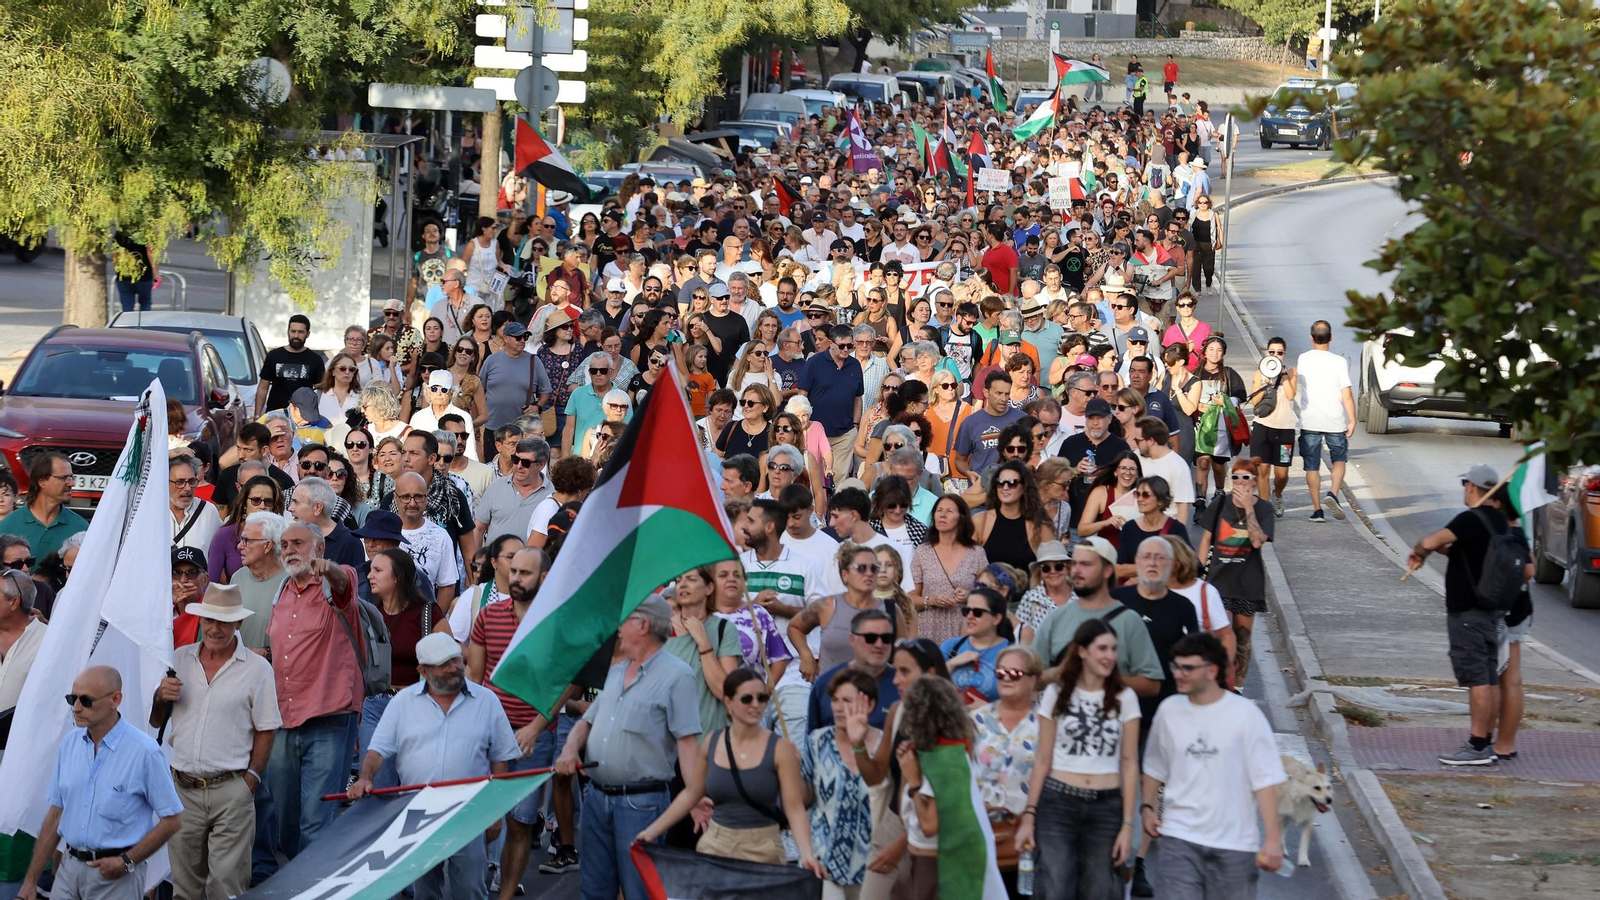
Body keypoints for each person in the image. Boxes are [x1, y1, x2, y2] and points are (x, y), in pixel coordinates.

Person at [553, 594, 703, 900]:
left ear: (643, 625)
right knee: (593, 891)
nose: (618, 628)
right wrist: (569, 749)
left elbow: (688, 746)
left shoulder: (678, 676)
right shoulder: (617, 671)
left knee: (639, 891)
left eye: (624, 621)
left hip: (641, 804)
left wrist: (696, 796)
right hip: (596, 799)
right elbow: (586, 722)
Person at [351, 633, 518, 900]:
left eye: (456, 660)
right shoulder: (402, 703)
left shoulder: (487, 701)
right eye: (443, 664)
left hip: (469, 812)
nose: (453, 668)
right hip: (418, 816)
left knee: (470, 891)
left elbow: (501, 759)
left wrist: (495, 813)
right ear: (423, 671)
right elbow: (377, 750)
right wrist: (365, 777)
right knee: (425, 892)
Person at [151, 584, 279, 900]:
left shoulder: (258, 669)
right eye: (209, 619)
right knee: (185, 889)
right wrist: (160, 696)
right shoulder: (178, 659)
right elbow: (155, 720)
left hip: (232, 788)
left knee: (227, 888)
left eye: (224, 621)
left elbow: (267, 729)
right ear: (201, 620)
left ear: (238, 623)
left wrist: (251, 780)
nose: (215, 628)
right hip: (183, 789)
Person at [15, 666, 184, 900]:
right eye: (72, 699)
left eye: (86, 701)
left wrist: (126, 862)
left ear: (115, 699)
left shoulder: (145, 752)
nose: (76, 708)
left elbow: (172, 820)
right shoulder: (70, 744)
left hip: (116, 878)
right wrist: (30, 881)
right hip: (68, 871)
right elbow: (56, 814)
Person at [635, 667, 826, 874]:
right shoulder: (712, 742)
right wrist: (651, 832)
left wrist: (807, 854)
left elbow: (794, 808)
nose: (756, 705)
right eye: (747, 699)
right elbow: (691, 794)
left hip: (762, 849)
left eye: (762, 698)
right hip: (716, 846)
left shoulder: (781, 749)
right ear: (728, 702)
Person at [1141, 633, 1286, 894]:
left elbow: (1264, 780)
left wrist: (1273, 839)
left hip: (1234, 845)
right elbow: (1154, 766)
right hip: (1179, 838)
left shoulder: (1246, 715)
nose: (1178, 674)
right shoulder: (1169, 711)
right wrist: (1148, 808)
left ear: (1212, 671)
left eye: (1188, 668)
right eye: (1176, 666)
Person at [1407, 466, 1528, 766]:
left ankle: (1476, 746)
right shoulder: (1499, 521)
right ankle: (1485, 741)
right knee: (1488, 676)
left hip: (1467, 613)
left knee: (1476, 679)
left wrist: (1419, 553)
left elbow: (1430, 541)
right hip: (1491, 610)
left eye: (1465, 484)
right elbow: (1478, 555)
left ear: (1472, 486)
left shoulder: (1470, 519)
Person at [1014, 618, 1141, 900]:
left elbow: (1130, 762)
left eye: (1113, 649)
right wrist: (1030, 815)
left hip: (1106, 804)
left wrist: (1128, 825)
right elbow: (1043, 758)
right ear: (1082, 651)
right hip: (1058, 801)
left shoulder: (1125, 697)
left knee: (1100, 890)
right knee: (1055, 887)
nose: (1110, 656)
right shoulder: (1057, 693)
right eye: (1102, 649)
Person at [263, 521, 361, 864]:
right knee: (284, 817)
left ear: (319, 548)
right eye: (284, 544)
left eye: (298, 543)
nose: (289, 550)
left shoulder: (337, 582)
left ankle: (310, 884)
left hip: (328, 716)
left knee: (317, 821)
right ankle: (299, 874)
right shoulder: (281, 590)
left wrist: (328, 568)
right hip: (284, 717)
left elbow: (344, 580)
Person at [1030, 537, 1164, 699]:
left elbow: (1152, 684)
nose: (1076, 571)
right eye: (1074, 564)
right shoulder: (1056, 618)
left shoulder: (1129, 620)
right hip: (1062, 713)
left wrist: (1104, 680)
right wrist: (1056, 674)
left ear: (1107, 570)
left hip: (1113, 713)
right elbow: (1031, 679)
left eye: (1085, 564)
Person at [799, 667, 885, 897]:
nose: (837, 707)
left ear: (870, 704)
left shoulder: (884, 745)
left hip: (872, 865)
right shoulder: (817, 741)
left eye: (847, 700)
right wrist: (791, 771)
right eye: (835, 700)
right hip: (823, 861)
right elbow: (805, 799)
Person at [969, 645, 1043, 896]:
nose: (1006, 678)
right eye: (1001, 673)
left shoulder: (1047, 723)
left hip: (1030, 834)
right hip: (982, 832)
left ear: (1033, 680)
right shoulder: (976, 719)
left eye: (1015, 674)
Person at [1196, 460, 1274, 684]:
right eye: (1236, 477)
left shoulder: (1264, 509)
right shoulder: (1220, 503)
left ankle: (1237, 688)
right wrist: (1198, 576)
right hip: (1218, 580)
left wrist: (1249, 508)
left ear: (1254, 482)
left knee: (1242, 640)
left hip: (1247, 582)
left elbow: (1257, 542)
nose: (1240, 482)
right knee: (1219, 636)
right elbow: (1206, 540)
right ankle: (1217, 684)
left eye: (1245, 478)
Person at [662, 566, 746, 732]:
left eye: (691, 579)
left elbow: (724, 692)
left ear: (709, 588)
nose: (682, 585)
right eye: (679, 581)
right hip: (667, 736)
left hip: (709, 734)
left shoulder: (724, 629)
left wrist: (704, 642)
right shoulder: (662, 629)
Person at [1296, 320, 1357, 522]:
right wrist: (1352, 420)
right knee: (1339, 460)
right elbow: (1347, 394)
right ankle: (1333, 493)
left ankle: (1317, 510)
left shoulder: (1303, 359)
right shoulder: (1339, 362)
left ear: (1311, 338)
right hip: (1335, 420)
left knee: (1311, 466)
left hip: (1310, 420)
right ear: (1331, 337)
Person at [909, 494, 988, 645]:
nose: (942, 515)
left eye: (949, 511)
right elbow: (910, 598)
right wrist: (931, 600)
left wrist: (969, 596)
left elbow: (988, 594)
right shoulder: (923, 552)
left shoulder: (976, 553)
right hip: (928, 630)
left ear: (961, 518)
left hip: (965, 629)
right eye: (939, 510)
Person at [0, 451, 87, 571]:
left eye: (71, 477)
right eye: (64, 478)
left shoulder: (81, 528)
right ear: (42, 482)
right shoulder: (7, 527)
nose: (72, 483)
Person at [798, 324, 866, 477]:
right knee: (813, 476)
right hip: (815, 430)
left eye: (850, 346)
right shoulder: (814, 363)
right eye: (841, 346)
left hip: (845, 434)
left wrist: (855, 424)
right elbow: (802, 395)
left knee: (840, 477)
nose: (846, 349)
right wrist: (803, 423)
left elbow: (858, 397)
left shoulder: (855, 365)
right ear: (831, 343)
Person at [972, 460, 1052, 571]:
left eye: (1012, 483)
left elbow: (1051, 569)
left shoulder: (1040, 526)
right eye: (1000, 482)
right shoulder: (980, 521)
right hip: (986, 582)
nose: (1005, 487)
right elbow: (968, 566)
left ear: (1024, 487)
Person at [1251, 337, 1299, 518]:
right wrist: (1265, 384)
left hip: (1285, 429)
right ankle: (1264, 507)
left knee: (1282, 473)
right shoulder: (1259, 373)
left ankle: (1277, 494)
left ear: (1284, 354)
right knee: (1262, 469)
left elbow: (1291, 395)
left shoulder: (1291, 372)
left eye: (1280, 353)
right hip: (1263, 426)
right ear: (1266, 353)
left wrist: (1284, 377)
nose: (1276, 355)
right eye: (1272, 352)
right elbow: (1254, 401)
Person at [474, 437, 554, 545]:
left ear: (541, 465)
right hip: (493, 556)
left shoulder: (552, 495)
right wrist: (475, 555)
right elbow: (478, 528)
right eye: (515, 460)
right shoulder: (496, 487)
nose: (519, 466)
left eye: (526, 462)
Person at [941, 587, 1013, 703]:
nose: (970, 616)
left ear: (996, 619)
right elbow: (929, 685)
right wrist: (951, 663)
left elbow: (1022, 699)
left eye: (977, 612)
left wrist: (987, 709)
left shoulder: (1011, 652)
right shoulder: (952, 646)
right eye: (966, 611)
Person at [1114, 475, 1189, 581]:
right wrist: (1160, 566)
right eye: (1137, 494)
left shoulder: (1176, 528)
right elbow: (1118, 569)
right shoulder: (1129, 528)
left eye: (1146, 495)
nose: (1140, 499)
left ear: (1160, 500)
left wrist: (1138, 571)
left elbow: (1187, 565)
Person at [256, 315, 325, 416]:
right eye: (293, 331)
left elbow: (322, 390)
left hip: (303, 416)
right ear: (288, 331)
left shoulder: (315, 359)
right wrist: (257, 416)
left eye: (301, 332)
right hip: (275, 414)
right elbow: (263, 388)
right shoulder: (274, 356)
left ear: (308, 334)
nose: (296, 335)